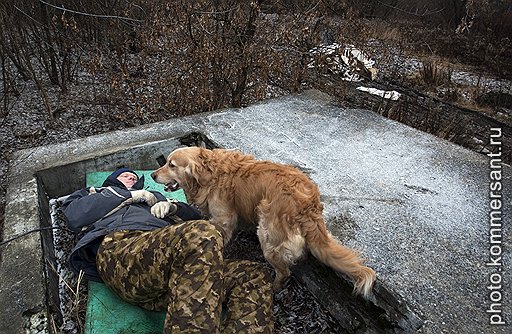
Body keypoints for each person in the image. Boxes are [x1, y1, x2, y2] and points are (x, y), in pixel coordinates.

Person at [61, 167, 274, 333]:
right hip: (122, 253)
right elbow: (74, 215)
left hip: (172, 277)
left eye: (134, 178)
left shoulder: (155, 197)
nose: (132, 179)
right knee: (202, 232)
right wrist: (130, 196)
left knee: (253, 275)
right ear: (113, 180)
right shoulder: (98, 193)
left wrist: (174, 207)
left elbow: (199, 221)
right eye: (126, 176)